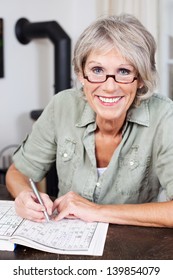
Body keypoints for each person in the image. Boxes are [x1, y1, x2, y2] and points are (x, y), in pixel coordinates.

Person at [5, 14, 173, 227]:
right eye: (97, 70)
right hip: (66, 244)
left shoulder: (165, 116)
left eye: (123, 71)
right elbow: (18, 172)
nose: (109, 87)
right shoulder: (62, 106)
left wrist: (95, 211)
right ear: (81, 74)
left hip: (137, 248)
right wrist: (25, 196)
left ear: (140, 79)